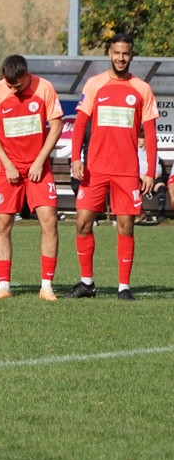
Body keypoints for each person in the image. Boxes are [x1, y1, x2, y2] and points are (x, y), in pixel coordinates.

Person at [69, 33, 158, 300]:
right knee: (82, 223)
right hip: (95, 169)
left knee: (126, 226)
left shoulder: (142, 89)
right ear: (109, 53)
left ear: (132, 55)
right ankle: (87, 283)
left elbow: (150, 134)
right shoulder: (95, 84)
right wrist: (76, 158)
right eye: (117, 53)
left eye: (126, 53)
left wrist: (149, 172)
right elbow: (80, 124)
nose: (121, 58)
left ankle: (124, 287)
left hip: (127, 171)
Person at [0, 55, 63, 300]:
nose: (13, 89)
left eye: (17, 85)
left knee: (49, 221)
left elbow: (57, 126)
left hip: (38, 167)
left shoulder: (45, 88)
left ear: (26, 75)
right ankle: (3, 287)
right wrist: (7, 164)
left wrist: (40, 160)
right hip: (8, 169)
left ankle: (46, 287)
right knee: (2, 225)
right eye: (9, 85)